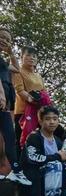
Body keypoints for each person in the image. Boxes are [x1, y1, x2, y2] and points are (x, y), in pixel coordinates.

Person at [0, 27, 31, 185]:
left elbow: (17, 69)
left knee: (9, 138)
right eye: (2, 37)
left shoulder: (3, 61)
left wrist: (11, 52)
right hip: (1, 100)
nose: (4, 40)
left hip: (4, 107)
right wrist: (1, 95)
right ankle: (16, 171)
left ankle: (16, 171)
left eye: (8, 39)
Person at [13, 46, 49, 147]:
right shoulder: (18, 72)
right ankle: (20, 161)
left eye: (34, 56)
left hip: (39, 112)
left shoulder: (38, 76)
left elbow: (44, 91)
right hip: (23, 111)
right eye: (28, 55)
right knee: (22, 139)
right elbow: (19, 90)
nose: (31, 58)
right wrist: (31, 99)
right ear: (21, 57)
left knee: (40, 139)